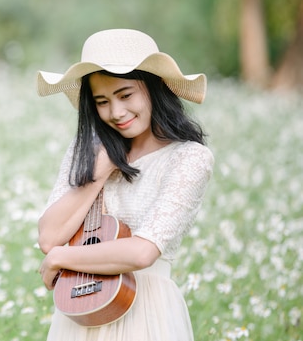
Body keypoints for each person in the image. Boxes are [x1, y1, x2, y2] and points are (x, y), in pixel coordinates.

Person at [36, 29, 214, 341]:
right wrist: (100, 171)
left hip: (146, 312)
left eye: (126, 95)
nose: (116, 113)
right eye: (102, 101)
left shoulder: (189, 158)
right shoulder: (88, 151)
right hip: (82, 308)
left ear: (155, 87)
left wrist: (60, 259)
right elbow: (50, 236)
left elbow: (143, 252)